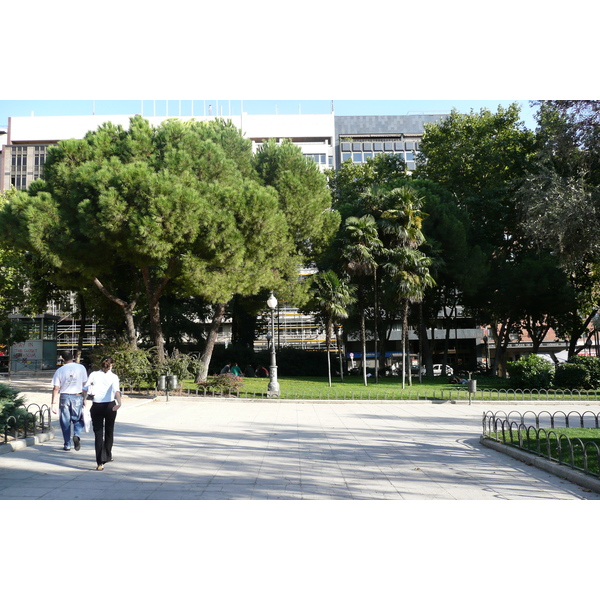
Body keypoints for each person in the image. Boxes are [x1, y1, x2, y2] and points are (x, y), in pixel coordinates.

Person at [84, 356, 122, 471]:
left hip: (96, 406)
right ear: (112, 365)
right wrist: (119, 403)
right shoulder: (114, 377)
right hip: (110, 406)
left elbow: (85, 388)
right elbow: (116, 391)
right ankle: (108, 454)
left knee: (98, 434)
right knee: (109, 431)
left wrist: (84, 400)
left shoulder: (94, 374)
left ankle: (100, 462)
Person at [51, 350, 88, 451]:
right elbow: (85, 385)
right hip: (77, 396)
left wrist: (53, 402)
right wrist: (84, 399)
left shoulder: (60, 370)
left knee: (65, 421)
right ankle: (76, 434)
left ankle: (67, 444)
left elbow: (56, 388)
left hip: (64, 397)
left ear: (62, 359)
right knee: (79, 419)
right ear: (73, 357)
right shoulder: (81, 368)